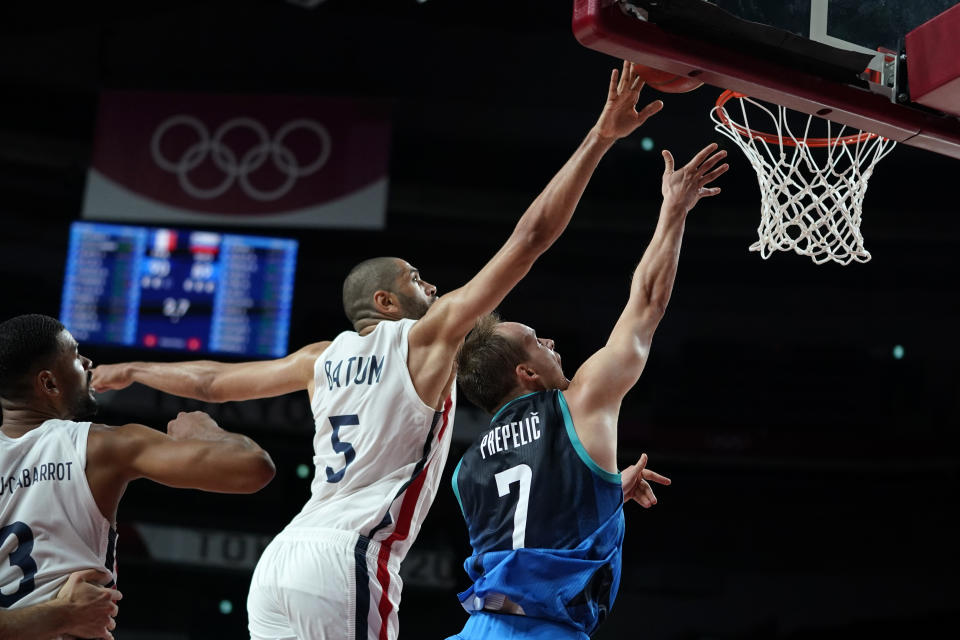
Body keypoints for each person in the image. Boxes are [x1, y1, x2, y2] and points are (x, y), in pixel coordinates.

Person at [90, 62, 665, 640]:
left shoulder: (318, 359)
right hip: (347, 559)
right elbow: (530, 238)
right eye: (417, 279)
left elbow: (213, 384)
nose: (433, 288)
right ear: (386, 301)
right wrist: (600, 138)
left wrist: (134, 368)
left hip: (279, 562)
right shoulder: (427, 337)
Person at [449, 140, 728, 639]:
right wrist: (674, 209)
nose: (550, 341)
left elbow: (529, 527)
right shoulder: (579, 402)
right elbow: (646, 305)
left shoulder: (466, 471)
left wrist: (600, 494)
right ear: (525, 374)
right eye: (536, 341)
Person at [0, 313, 275, 639]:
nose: (87, 361)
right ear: (49, 383)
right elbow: (253, 467)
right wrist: (207, 431)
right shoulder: (100, 446)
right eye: (75, 355)